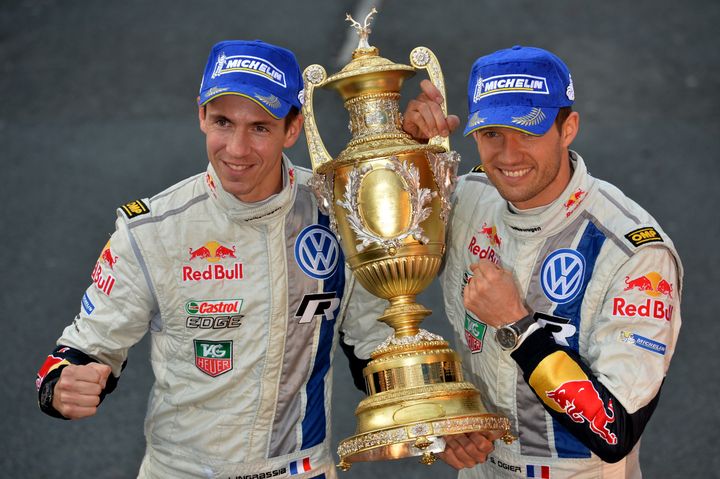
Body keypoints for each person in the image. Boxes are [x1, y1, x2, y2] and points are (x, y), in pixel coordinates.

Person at [35, 39, 390, 479]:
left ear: (293, 127)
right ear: (201, 115)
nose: (237, 149)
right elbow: (86, 348)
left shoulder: (337, 213)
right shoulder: (152, 229)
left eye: (260, 127)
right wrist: (60, 386)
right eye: (223, 121)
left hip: (298, 468)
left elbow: (376, 345)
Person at [403, 45, 682, 478]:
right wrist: (405, 155)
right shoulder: (463, 200)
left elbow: (615, 431)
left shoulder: (633, 251)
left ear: (568, 128)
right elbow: (378, 280)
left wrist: (518, 326)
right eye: (492, 133)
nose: (508, 156)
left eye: (528, 133)